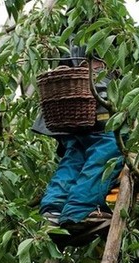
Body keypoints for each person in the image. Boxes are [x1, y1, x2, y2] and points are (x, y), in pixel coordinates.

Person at [33, 43, 124, 226]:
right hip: (98, 102)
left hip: (73, 113)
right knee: (105, 153)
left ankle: (53, 209)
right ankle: (80, 209)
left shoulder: (70, 34)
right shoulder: (102, 24)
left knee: (75, 157)